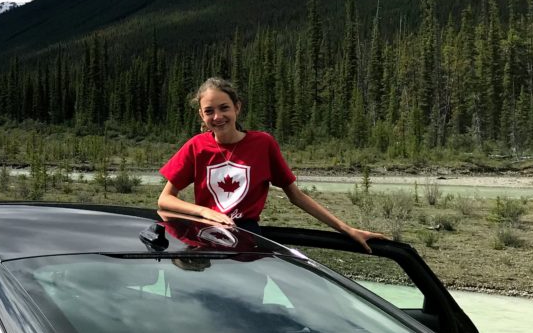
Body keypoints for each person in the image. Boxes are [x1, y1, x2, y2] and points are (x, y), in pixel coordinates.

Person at [157, 77, 385, 252]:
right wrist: (205, 212)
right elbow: (164, 200)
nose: (217, 116)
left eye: (224, 107)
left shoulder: (263, 144)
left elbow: (296, 197)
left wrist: (347, 229)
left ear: (237, 107)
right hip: (206, 242)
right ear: (201, 115)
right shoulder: (196, 146)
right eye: (209, 111)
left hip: (246, 241)